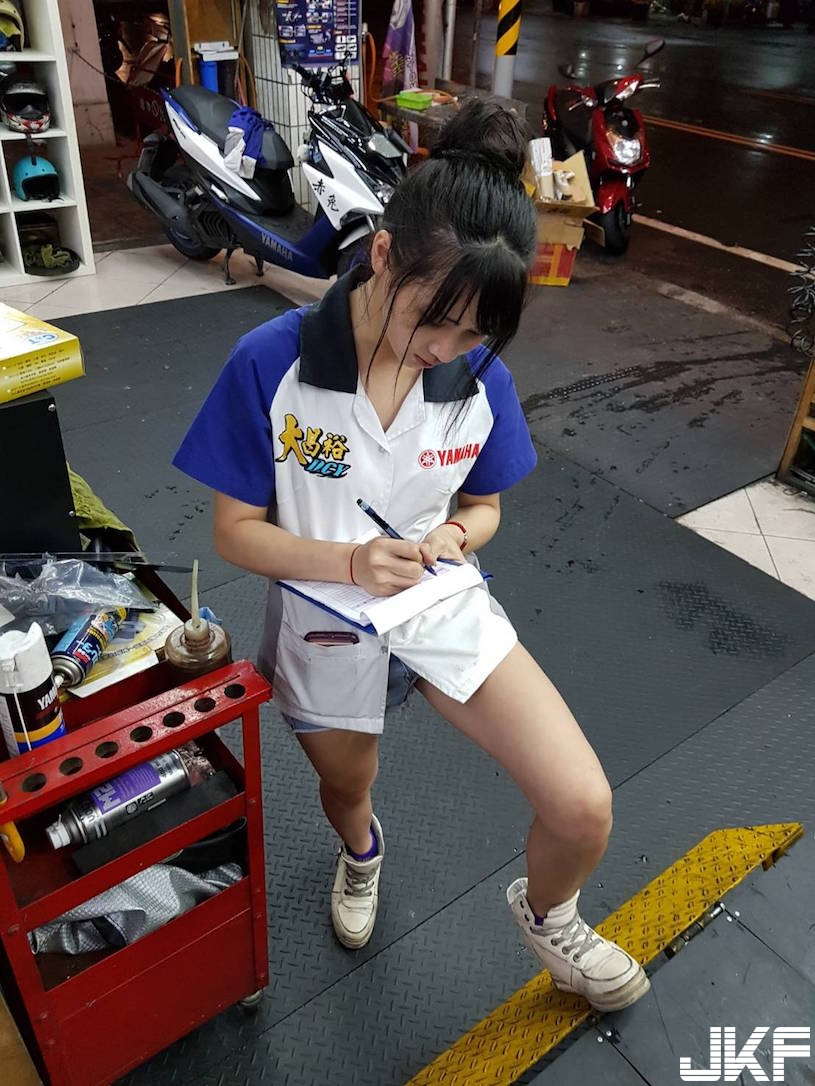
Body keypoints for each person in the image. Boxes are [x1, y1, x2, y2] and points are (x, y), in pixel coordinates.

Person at [173, 99, 650, 1013]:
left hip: (435, 599)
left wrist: (454, 537)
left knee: (582, 803)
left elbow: (485, 508)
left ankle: (550, 916)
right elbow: (234, 534)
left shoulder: (476, 378)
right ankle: (360, 855)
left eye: (474, 335)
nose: (445, 348)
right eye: (436, 319)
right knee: (348, 785)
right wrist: (350, 565)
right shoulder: (270, 363)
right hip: (323, 616)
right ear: (383, 255)